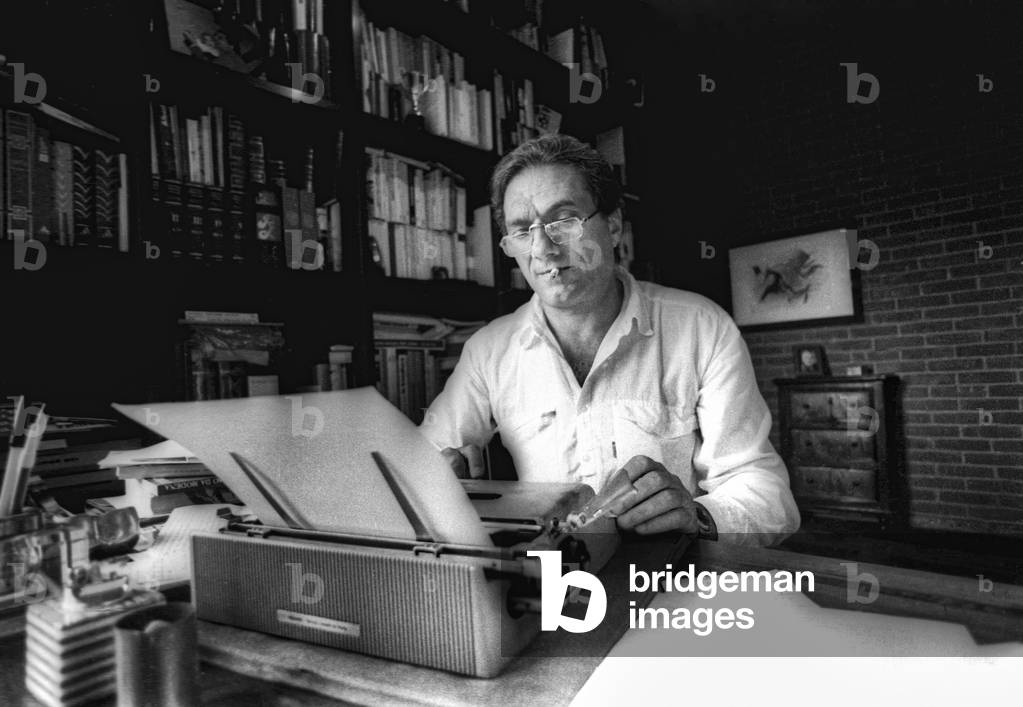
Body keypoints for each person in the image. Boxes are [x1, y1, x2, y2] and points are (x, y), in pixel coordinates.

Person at [420, 134, 800, 546]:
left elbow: (768, 495)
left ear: (614, 225)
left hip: (669, 586)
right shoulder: (488, 350)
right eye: (522, 232)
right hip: (550, 588)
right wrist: (435, 481)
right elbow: (422, 464)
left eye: (563, 221)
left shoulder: (702, 328)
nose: (543, 249)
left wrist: (702, 516)